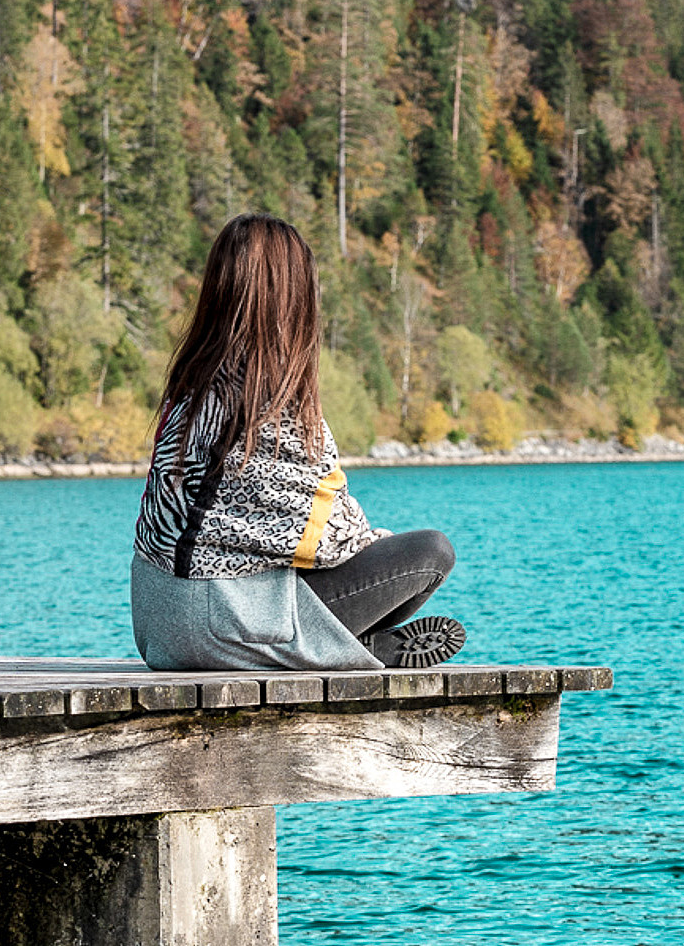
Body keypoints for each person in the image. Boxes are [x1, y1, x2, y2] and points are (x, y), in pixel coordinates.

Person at [131, 212, 465, 672]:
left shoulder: (188, 387)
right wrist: (374, 542)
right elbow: (328, 539)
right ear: (292, 297)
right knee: (430, 554)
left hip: (158, 629)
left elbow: (245, 531)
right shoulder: (270, 400)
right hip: (227, 626)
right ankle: (356, 649)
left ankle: (354, 646)